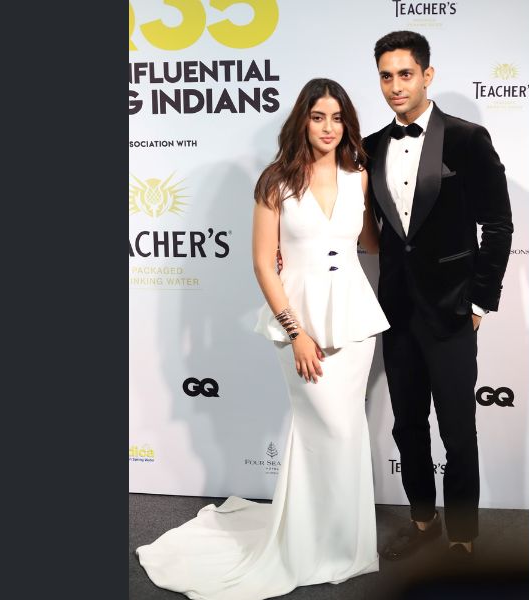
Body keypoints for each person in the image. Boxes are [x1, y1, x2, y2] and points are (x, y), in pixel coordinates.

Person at [136, 78, 389, 600]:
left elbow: (369, 243)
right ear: (302, 121)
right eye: (318, 117)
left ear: (347, 124)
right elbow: (261, 263)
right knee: (322, 428)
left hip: (354, 318)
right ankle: (307, 543)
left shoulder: (358, 175)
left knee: (347, 431)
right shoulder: (276, 181)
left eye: (336, 117)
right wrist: (296, 333)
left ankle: (343, 543)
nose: (328, 127)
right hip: (299, 319)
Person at [362, 31, 513, 563]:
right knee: (407, 425)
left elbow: (498, 224)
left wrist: (480, 302)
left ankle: (463, 531)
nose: (395, 86)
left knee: (457, 428)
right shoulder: (371, 147)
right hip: (396, 310)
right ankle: (422, 519)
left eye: (405, 74)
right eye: (386, 76)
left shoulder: (468, 139)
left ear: (427, 75)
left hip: (452, 309)